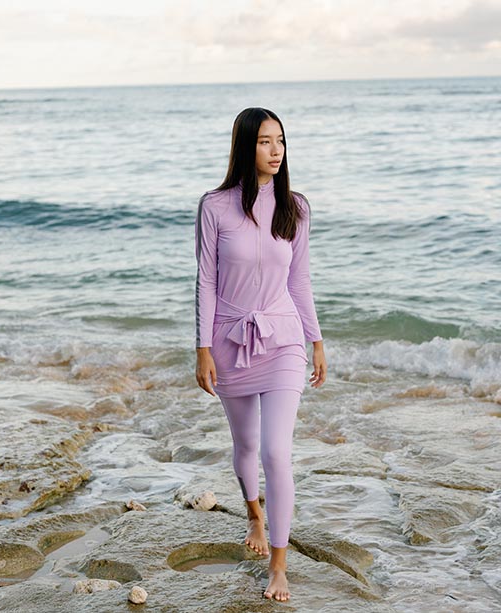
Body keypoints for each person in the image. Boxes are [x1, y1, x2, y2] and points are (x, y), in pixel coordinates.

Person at [194, 107, 327, 601]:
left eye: (282, 141)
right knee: (246, 446)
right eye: (266, 142)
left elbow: (300, 280)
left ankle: (278, 564)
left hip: (284, 337)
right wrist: (202, 348)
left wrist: (316, 339)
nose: (276, 151)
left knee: (276, 451)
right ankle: (253, 512)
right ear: (245, 146)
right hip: (229, 339)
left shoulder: (296, 206)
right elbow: (206, 281)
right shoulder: (215, 207)